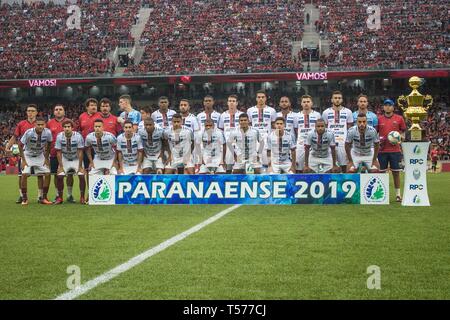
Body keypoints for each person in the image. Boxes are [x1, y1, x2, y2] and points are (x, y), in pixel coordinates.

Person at [5, 104, 38, 204]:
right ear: (26, 112)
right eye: (28, 111)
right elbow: (15, 137)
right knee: (21, 175)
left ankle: (40, 196)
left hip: (38, 153)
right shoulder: (21, 124)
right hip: (24, 154)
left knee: (40, 175)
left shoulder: (40, 123)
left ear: (36, 112)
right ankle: (22, 196)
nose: (30, 113)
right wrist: (7, 147)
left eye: (32, 111)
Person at [377, 99, 407, 202]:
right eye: (386, 105)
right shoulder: (379, 119)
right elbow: (375, 133)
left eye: (390, 105)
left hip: (395, 150)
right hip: (382, 151)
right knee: (382, 173)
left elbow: (403, 133)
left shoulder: (399, 118)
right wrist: (379, 140)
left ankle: (398, 195)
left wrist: (399, 138)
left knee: (396, 173)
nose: (388, 107)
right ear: (383, 107)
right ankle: (382, 195)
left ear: (393, 107)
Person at [19, 117, 53, 205]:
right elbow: (20, 145)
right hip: (28, 154)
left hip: (39, 155)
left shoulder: (48, 132)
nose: (40, 126)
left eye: (42, 125)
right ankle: (25, 198)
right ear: (35, 125)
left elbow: (49, 144)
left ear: (45, 125)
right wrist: (23, 160)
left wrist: (46, 158)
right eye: (38, 125)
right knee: (24, 174)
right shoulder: (29, 132)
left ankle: (44, 197)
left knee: (48, 173)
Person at [54, 120, 85, 204]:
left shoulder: (78, 136)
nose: (67, 128)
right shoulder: (59, 136)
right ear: (63, 128)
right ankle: (60, 198)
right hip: (65, 158)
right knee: (60, 176)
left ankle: (82, 197)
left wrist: (80, 166)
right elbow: (59, 152)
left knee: (81, 175)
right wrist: (60, 166)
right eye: (65, 127)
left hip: (76, 158)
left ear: (72, 128)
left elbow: (80, 151)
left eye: (68, 127)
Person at [322, 90, 354, 172]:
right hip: (330, 143)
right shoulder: (326, 112)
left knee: (344, 166)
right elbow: (324, 129)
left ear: (342, 100)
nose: (337, 100)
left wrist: (349, 144)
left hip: (343, 143)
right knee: (330, 167)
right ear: (331, 100)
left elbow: (350, 130)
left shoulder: (348, 112)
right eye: (335, 98)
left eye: (339, 98)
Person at [47, 104, 72, 202]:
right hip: (54, 153)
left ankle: (69, 195)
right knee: (56, 175)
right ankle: (58, 195)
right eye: (56, 109)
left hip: (68, 154)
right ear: (54, 112)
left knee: (69, 174)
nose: (58, 111)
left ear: (64, 111)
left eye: (60, 109)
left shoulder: (69, 122)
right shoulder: (49, 123)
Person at [246, 90, 277, 170]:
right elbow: (248, 125)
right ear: (256, 98)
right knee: (254, 160)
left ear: (266, 98)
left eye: (263, 97)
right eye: (259, 97)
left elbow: (274, 126)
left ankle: (266, 176)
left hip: (267, 137)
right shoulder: (250, 110)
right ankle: (253, 178)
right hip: (254, 138)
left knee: (266, 160)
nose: (261, 99)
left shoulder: (272, 110)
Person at [296, 95, 322, 173]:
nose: (306, 103)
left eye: (308, 102)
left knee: (313, 167)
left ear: (312, 103)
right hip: (301, 144)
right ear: (301, 103)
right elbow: (295, 130)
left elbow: (320, 130)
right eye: (304, 102)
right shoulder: (296, 116)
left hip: (314, 144)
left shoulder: (317, 115)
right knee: (298, 167)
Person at [218, 94, 243, 173]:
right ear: (227, 103)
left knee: (241, 165)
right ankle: (228, 180)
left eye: (233, 101)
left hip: (239, 143)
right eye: (230, 101)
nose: (231, 103)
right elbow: (221, 130)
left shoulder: (241, 114)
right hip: (227, 143)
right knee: (228, 165)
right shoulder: (223, 115)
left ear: (237, 103)